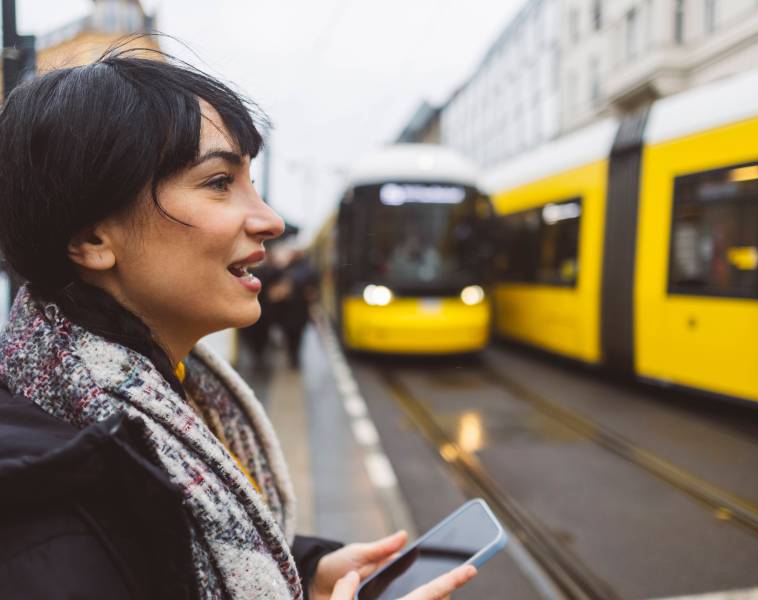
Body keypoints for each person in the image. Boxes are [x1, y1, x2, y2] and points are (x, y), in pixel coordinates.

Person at [0, 46, 476, 600]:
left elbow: (178, 556)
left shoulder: (166, 392)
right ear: (92, 238)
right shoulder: (42, 518)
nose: (270, 220)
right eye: (219, 181)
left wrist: (303, 569)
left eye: (249, 179)